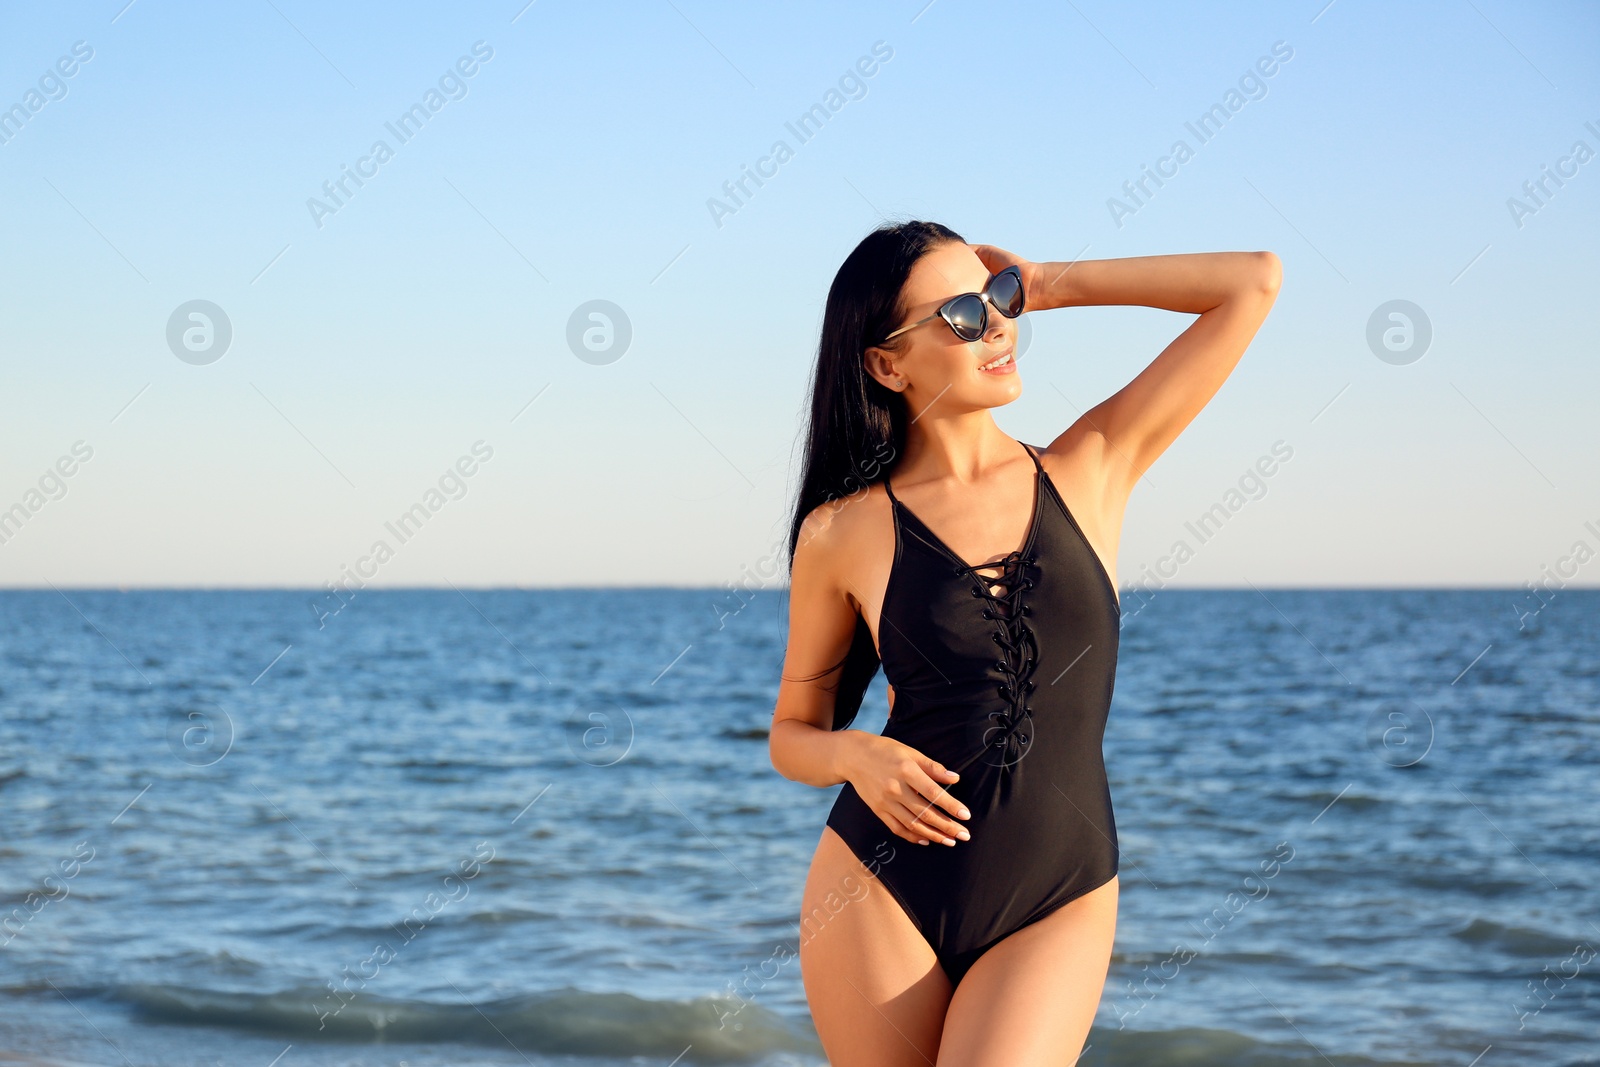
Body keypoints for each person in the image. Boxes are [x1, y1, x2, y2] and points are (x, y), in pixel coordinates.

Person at [768, 220, 1281, 1065]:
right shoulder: (840, 532)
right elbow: (792, 733)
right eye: (962, 315)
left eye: (997, 300)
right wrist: (858, 758)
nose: (998, 325)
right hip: (879, 885)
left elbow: (1252, 282)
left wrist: (1046, 280)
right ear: (886, 364)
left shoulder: (1092, 464)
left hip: (1059, 890)